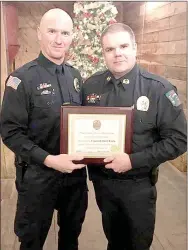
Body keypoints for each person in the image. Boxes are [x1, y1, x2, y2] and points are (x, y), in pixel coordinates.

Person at [82, 23, 187, 250]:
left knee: (138, 244)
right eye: (110, 49)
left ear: (134, 48)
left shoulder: (158, 89)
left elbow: (179, 140)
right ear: (104, 53)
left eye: (123, 46)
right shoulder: (91, 85)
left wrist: (132, 160)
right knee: (113, 240)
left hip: (138, 186)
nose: (117, 53)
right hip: (104, 185)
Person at [1, 9, 88, 250]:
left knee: (71, 236)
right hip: (38, 176)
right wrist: (49, 160)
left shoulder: (76, 76)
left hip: (74, 176)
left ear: (72, 37)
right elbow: (10, 132)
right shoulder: (21, 79)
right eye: (52, 31)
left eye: (65, 33)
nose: (59, 39)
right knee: (32, 239)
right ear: (39, 34)